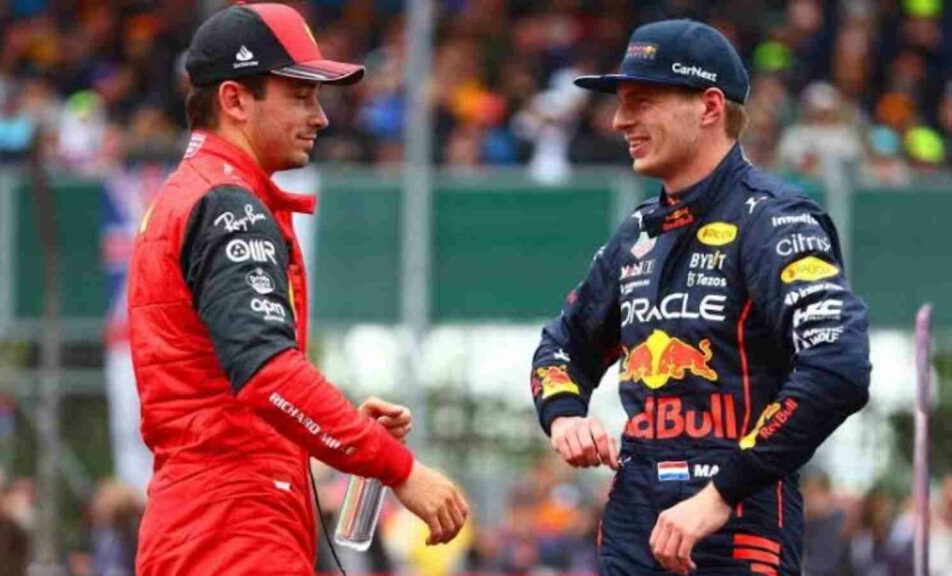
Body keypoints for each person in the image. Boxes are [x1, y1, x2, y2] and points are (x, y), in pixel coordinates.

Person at [127, 4, 468, 575]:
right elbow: (266, 373)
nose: (321, 116)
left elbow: (232, 386)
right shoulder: (226, 203)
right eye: (300, 95)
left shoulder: (188, 193)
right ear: (235, 100)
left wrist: (349, 432)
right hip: (232, 532)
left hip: (208, 521)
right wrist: (400, 469)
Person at [529, 19, 871, 576]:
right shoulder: (637, 232)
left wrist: (719, 495)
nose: (619, 121)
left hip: (737, 521)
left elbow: (839, 366)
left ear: (710, 107)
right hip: (634, 519)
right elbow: (559, 348)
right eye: (621, 103)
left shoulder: (776, 220)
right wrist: (565, 413)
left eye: (642, 101)